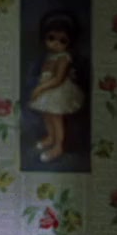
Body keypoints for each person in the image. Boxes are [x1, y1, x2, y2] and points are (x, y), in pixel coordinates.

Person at [29, 11, 84, 163]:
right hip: (48, 89)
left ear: (70, 42)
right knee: (46, 115)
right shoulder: (50, 55)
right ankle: (51, 137)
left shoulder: (64, 57)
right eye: (51, 38)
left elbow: (58, 79)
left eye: (62, 40)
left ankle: (58, 146)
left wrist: (40, 88)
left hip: (58, 91)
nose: (56, 43)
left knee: (56, 117)